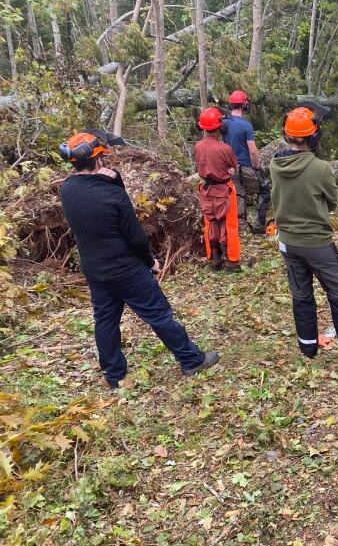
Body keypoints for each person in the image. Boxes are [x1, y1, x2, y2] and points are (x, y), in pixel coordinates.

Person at [59, 130, 219, 389]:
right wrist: (149, 261)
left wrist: (112, 180)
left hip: (95, 270)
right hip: (126, 269)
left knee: (106, 321)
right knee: (159, 314)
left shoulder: (67, 189)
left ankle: (114, 376)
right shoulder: (112, 194)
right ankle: (191, 359)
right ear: (98, 159)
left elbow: (95, 200)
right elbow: (134, 236)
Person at [270, 106, 338, 358]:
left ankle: (307, 349)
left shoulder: (275, 164)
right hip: (318, 244)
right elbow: (332, 201)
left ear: (286, 135)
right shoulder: (320, 168)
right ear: (314, 136)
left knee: (301, 296)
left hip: (288, 242)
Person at [194, 107, 242, 272]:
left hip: (206, 190)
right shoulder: (225, 149)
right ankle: (233, 262)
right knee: (229, 225)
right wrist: (229, 170)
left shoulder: (198, 147)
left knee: (211, 223)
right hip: (224, 190)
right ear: (220, 126)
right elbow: (232, 168)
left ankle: (215, 259)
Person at [221, 90, 268, 234]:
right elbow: (253, 150)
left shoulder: (224, 122)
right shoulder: (246, 126)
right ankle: (258, 226)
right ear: (244, 105)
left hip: (230, 168)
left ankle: (241, 229)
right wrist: (257, 165)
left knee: (239, 194)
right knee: (265, 189)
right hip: (244, 167)